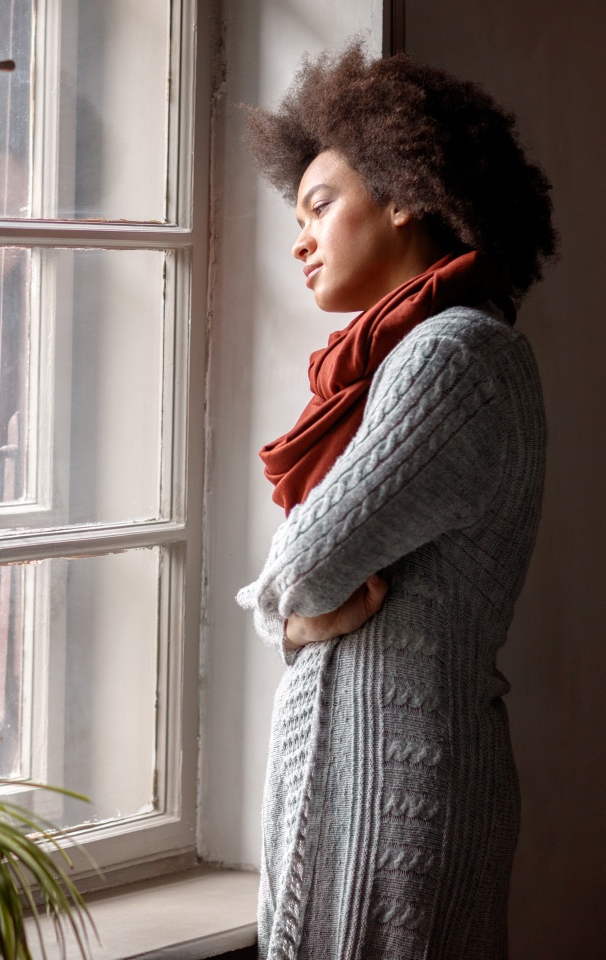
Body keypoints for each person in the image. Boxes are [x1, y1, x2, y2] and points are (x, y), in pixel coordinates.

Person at [235, 43, 556, 960]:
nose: (299, 239)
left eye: (320, 206)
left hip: (396, 790)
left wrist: (290, 614)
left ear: (404, 193)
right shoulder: (399, 362)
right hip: (357, 778)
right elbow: (301, 594)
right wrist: (294, 625)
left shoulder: (451, 355)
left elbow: (301, 569)